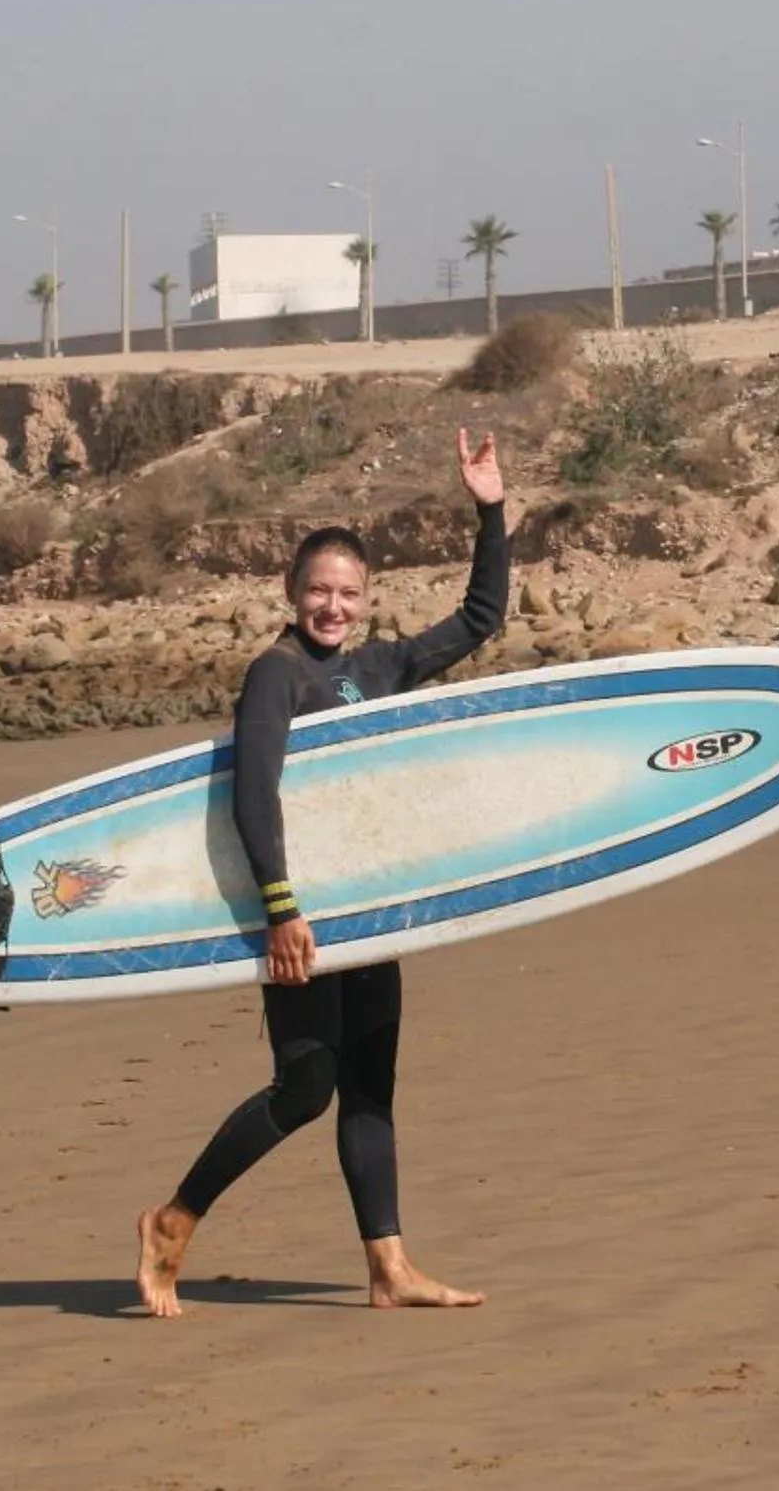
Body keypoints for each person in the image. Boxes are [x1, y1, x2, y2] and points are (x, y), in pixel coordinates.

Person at [135, 428, 509, 1317]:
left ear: (366, 601)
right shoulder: (275, 675)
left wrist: (490, 510)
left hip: (367, 913)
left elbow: (482, 618)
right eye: (318, 591)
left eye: (347, 594)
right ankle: (171, 1221)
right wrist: (279, 907)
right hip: (301, 914)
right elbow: (253, 795)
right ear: (291, 593)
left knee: (370, 1082)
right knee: (304, 1087)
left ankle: (389, 1267)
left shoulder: (380, 668)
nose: (332, 607)